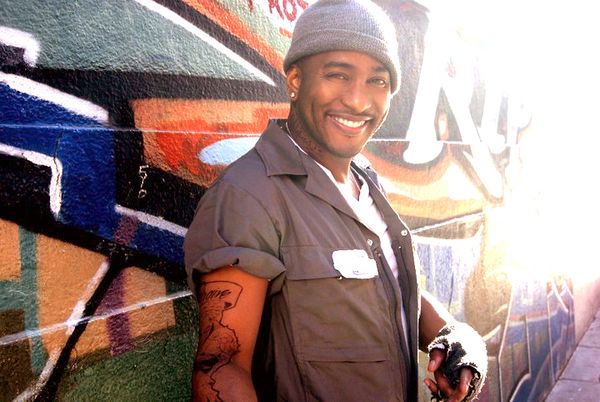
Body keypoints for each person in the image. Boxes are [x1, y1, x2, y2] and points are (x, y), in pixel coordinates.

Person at [184, 0, 487, 401]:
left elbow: (391, 291)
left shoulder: (368, 183)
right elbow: (220, 368)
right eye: (338, 75)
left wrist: (457, 339)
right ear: (295, 79)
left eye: (377, 81)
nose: (359, 100)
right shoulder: (250, 194)